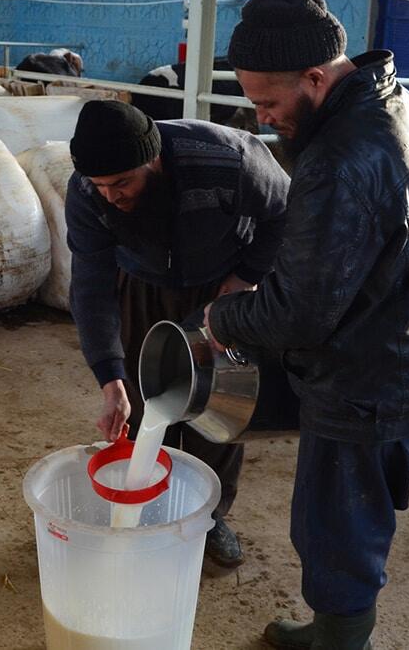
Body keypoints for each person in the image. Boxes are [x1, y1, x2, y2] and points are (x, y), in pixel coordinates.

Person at [202, 0, 409, 647]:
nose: (259, 118)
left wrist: (221, 320)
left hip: (367, 384)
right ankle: (330, 632)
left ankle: (342, 640)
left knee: (335, 535)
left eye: (268, 102)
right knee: (345, 527)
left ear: (315, 77)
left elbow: (300, 313)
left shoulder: (343, 155)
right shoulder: (400, 108)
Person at [66, 100, 290, 569]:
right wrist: (109, 379)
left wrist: (247, 277)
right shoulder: (88, 192)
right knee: (143, 396)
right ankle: (149, 509)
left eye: (122, 182)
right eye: (101, 186)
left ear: (153, 160)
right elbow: (90, 283)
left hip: (221, 286)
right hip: (142, 286)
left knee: (220, 408)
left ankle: (209, 516)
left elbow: (285, 212)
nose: (111, 196)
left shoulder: (229, 160)